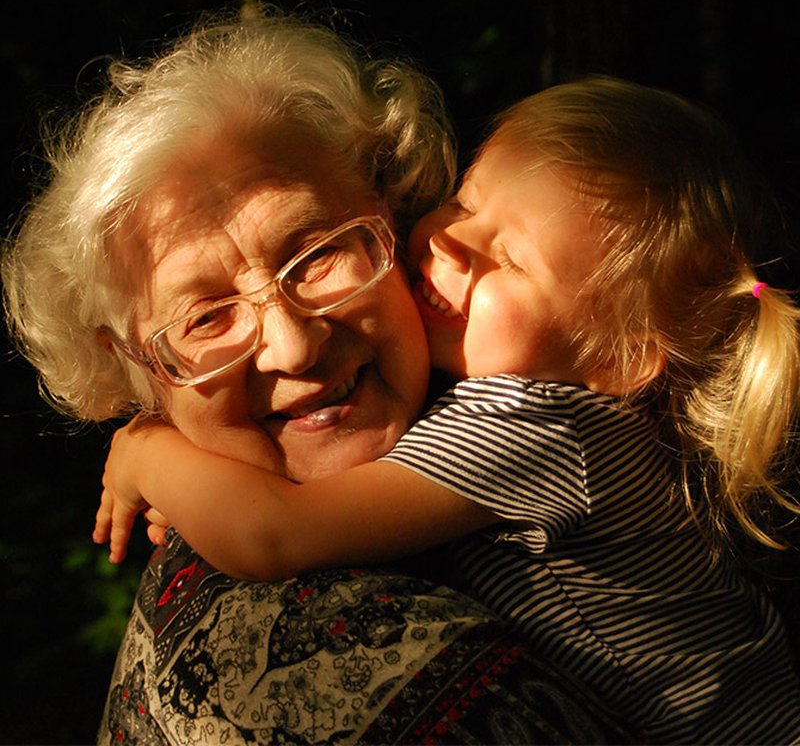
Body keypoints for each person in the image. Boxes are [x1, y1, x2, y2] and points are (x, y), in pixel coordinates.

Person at [96, 77, 800, 743]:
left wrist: (151, 454)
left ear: (615, 359)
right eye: (465, 204)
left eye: (514, 262)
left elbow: (272, 534)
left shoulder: (538, 424)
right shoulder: (519, 401)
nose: (451, 242)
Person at [1, 9, 636, 744]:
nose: (295, 347)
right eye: (207, 317)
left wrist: (154, 455)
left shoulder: (532, 402)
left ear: (395, 226)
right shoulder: (326, 655)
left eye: (318, 255)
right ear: (141, 375)